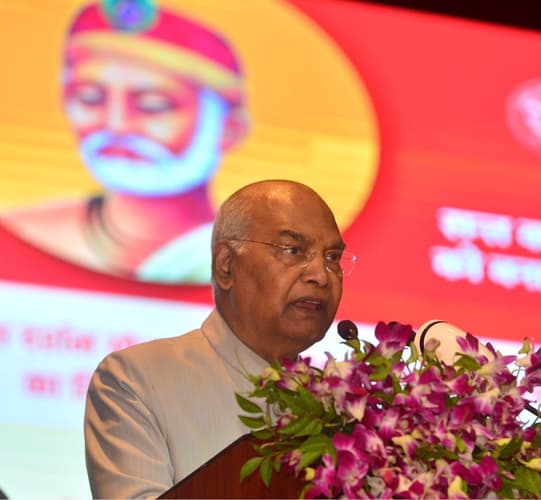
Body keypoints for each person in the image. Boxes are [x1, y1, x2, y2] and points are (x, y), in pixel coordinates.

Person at [83, 179, 356, 498]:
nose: (321, 276)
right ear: (226, 265)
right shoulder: (135, 379)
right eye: (293, 251)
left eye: (332, 257)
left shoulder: (343, 411)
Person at [0, 0, 249, 284]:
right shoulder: (25, 231)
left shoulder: (260, 265)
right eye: (90, 99)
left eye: (153, 105)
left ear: (230, 128)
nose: (117, 125)